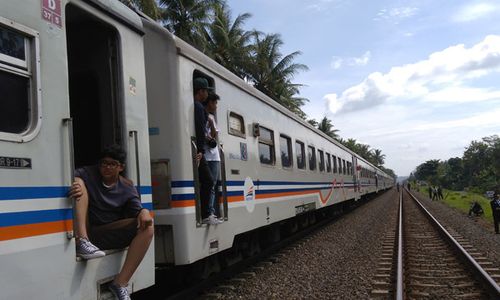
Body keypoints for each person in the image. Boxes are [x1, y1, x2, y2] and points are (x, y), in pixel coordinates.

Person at [69, 145, 154, 300]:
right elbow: (65, 174)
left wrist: (144, 211)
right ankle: (82, 241)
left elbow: (137, 208)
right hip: (89, 232)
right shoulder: (88, 174)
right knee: (78, 182)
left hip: (109, 232)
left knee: (148, 227)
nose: (106, 167)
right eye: (104, 163)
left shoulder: (127, 186)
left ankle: (120, 284)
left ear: (121, 167)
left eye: (112, 164)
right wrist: (74, 184)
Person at [193, 77, 217, 225]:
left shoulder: (195, 106)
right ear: (201, 91)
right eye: (206, 91)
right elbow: (200, 131)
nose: (207, 94)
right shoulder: (198, 107)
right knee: (208, 181)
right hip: (200, 151)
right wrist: (200, 150)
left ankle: (205, 213)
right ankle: (206, 214)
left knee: (206, 181)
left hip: (199, 149)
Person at [203, 92, 223, 224]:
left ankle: (211, 212)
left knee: (213, 184)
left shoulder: (210, 117)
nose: (216, 106)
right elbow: (205, 136)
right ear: (210, 102)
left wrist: (211, 122)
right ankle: (209, 213)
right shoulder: (203, 116)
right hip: (207, 155)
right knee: (210, 184)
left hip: (213, 155)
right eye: (215, 103)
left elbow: (214, 136)